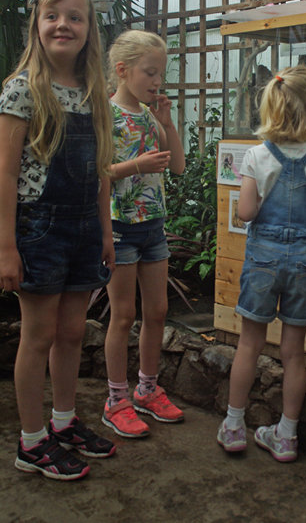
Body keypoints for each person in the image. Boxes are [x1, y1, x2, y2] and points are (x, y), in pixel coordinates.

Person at [0, 0, 116, 481]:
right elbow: (4, 172)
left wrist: (107, 232)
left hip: (85, 225)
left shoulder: (94, 92)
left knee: (72, 331)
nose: (63, 24)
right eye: (53, 15)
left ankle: (63, 423)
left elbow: (103, 169)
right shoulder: (23, 88)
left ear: (90, 30)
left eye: (75, 16)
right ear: (38, 25)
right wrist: (6, 246)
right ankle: (31, 441)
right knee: (39, 334)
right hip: (39, 226)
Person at [217, 65, 306, 462]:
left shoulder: (257, 156)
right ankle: (287, 436)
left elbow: (246, 212)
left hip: (263, 258)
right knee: (294, 351)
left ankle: (235, 427)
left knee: (249, 344)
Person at [102, 30, 185, 438]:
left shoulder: (153, 115)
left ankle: (147, 389)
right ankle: (116, 399)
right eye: (149, 73)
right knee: (124, 315)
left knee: (157, 312)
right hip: (119, 228)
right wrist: (136, 165)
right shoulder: (105, 113)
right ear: (122, 70)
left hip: (154, 227)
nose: (156, 82)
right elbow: (97, 174)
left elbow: (178, 167)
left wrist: (168, 123)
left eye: (160, 74)